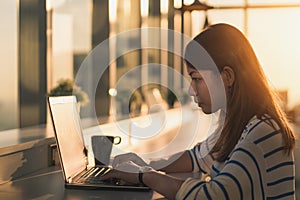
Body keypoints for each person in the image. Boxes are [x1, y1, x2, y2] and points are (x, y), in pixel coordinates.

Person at [101, 23, 296, 199]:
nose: (191, 89)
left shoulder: (262, 131)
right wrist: (141, 163)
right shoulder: (237, 124)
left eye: (196, 79)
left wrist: (144, 175)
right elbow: (197, 158)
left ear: (227, 76)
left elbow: (215, 195)